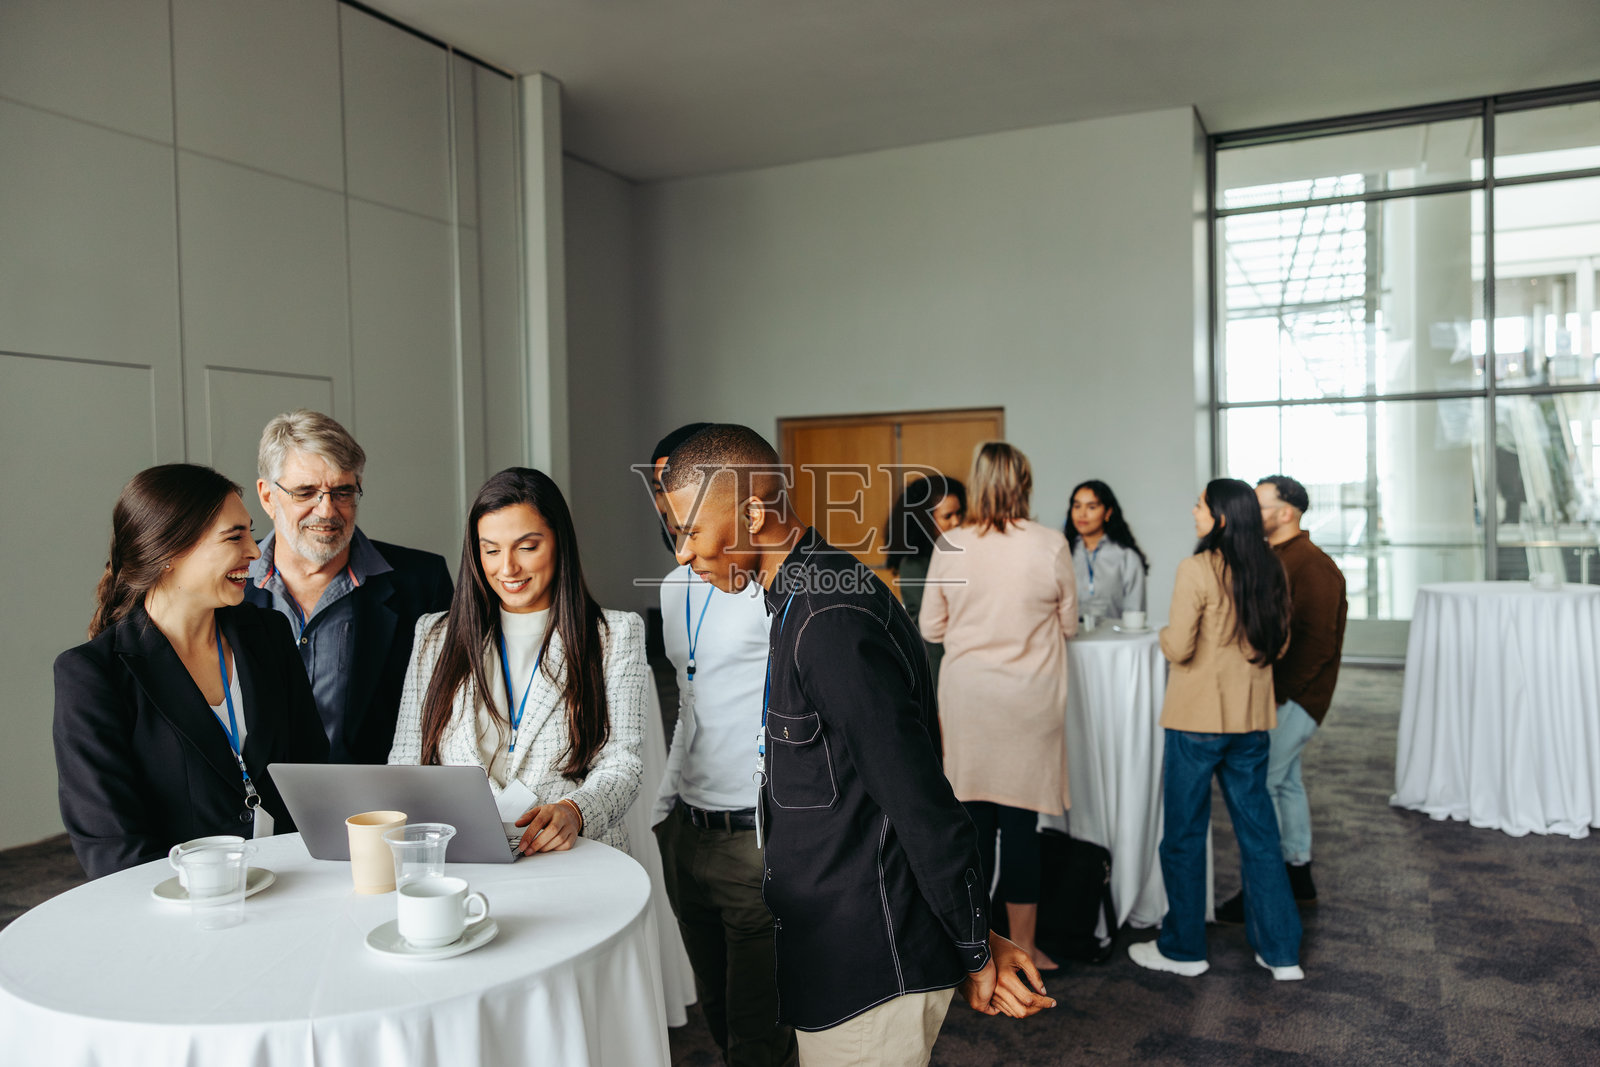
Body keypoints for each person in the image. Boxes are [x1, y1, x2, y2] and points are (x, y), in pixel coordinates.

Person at [660, 425, 1052, 1067]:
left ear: (754, 515)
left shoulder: (828, 617)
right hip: (835, 946)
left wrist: (974, 944)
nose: (683, 554)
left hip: (871, 960)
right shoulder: (798, 596)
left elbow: (918, 797)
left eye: (691, 532)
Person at [54, 464, 329, 879]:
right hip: (178, 903)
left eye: (250, 533)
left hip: (295, 881)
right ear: (168, 552)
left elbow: (312, 773)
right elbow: (113, 848)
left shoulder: (268, 635)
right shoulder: (92, 675)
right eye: (234, 537)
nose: (255, 552)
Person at [388, 468, 646, 855]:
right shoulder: (434, 636)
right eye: (491, 550)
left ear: (559, 543)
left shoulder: (614, 634)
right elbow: (406, 761)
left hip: (576, 855)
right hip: (463, 855)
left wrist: (576, 811)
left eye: (526, 547)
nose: (507, 568)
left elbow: (623, 763)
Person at [647, 424, 796, 1066]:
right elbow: (690, 700)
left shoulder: (769, 584)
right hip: (687, 832)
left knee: (758, 1030)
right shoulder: (674, 586)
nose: (666, 498)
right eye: (660, 486)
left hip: (754, 836)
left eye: (676, 482)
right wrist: (664, 810)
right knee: (716, 1011)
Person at [1129, 479, 1304, 981]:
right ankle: (1281, 954)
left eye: (1200, 505)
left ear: (1221, 517)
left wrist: (1161, 634)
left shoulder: (1197, 568)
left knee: (1184, 835)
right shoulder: (1271, 566)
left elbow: (1179, 647)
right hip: (1251, 720)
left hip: (1196, 720)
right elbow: (1280, 644)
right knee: (1259, 834)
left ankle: (1184, 950)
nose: (1194, 511)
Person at [921, 443, 1077, 974]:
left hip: (969, 703)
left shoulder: (952, 544)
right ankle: (1024, 950)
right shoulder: (1050, 544)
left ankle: (978, 952)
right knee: (1021, 829)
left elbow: (930, 628)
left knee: (973, 828)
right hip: (1029, 703)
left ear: (977, 484)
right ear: (1025, 484)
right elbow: (1069, 623)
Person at [244, 410, 453, 765]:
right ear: (267, 497)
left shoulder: (422, 583)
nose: (327, 511)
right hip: (255, 797)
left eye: (342, 492)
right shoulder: (224, 585)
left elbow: (449, 714)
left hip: (380, 796)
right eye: (306, 492)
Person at [1216, 475, 1348, 920]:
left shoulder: (1311, 565)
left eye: (1260, 505)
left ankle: (1262, 888)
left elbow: (1316, 644)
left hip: (1295, 697)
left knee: (1262, 784)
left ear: (1286, 512)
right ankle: (1297, 876)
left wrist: (1276, 695)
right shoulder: (1276, 558)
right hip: (1283, 694)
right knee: (1286, 781)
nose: (1251, 514)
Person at [883, 474, 966, 691]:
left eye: (959, 513)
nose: (956, 522)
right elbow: (929, 630)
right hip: (936, 666)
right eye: (948, 516)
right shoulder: (914, 566)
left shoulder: (959, 554)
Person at [1064, 479, 1148, 621]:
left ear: (1108, 513)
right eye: (1077, 506)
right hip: (1069, 635)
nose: (1082, 514)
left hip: (1113, 635)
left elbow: (1135, 613)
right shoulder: (1062, 553)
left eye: (1091, 507)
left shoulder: (1126, 556)